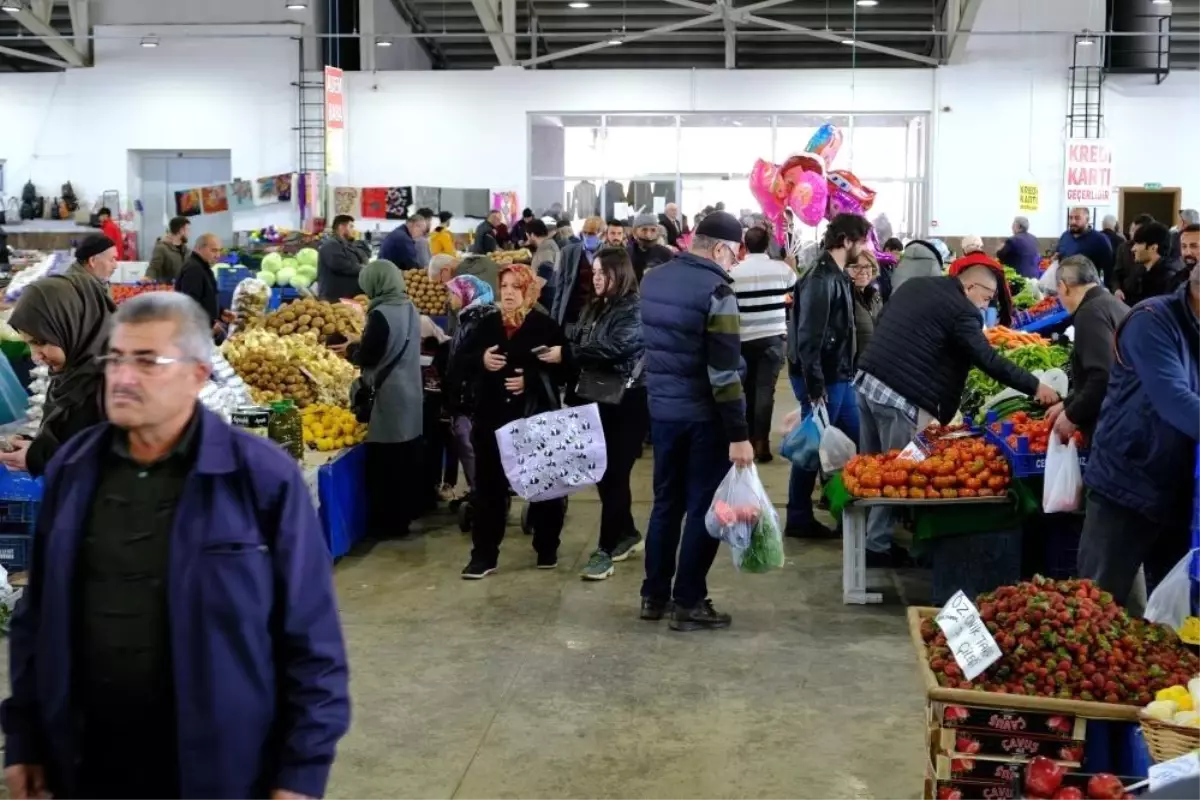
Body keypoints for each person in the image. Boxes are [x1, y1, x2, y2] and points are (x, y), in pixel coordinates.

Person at [2, 292, 349, 800]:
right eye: (115, 358)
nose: (121, 376)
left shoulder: (259, 478)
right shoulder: (76, 468)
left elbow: (313, 640)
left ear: (196, 375)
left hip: (218, 770)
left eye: (146, 361)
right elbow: (39, 616)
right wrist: (25, 738)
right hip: (87, 764)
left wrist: (299, 775)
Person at [855, 265, 1058, 565]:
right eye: (987, 297)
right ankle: (876, 546)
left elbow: (884, 320)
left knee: (872, 467)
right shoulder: (964, 311)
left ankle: (864, 539)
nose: (985, 305)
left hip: (867, 382)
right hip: (900, 398)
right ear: (970, 287)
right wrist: (1035, 385)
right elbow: (986, 358)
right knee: (898, 472)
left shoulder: (917, 283)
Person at [639, 211, 752, 632]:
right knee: (706, 508)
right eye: (733, 252)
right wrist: (740, 434)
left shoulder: (653, 279)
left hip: (663, 412)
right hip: (705, 417)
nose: (733, 261)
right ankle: (687, 601)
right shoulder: (718, 290)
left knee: (665, 503)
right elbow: (723, 373)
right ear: (720, 248)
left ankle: (653, 595)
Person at [1077, 266, 1200, 605]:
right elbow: (1174, 400)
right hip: (1126, 484)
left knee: (1167, 613)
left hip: (1178, 493)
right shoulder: (1152, 320)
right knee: (1096, 605)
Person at [539, 248, 645, 581]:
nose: (597, 277)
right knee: (604, 475)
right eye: (595, 272)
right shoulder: (595, 305)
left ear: (621, 274)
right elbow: (579, 337)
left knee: (614, 474)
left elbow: (616, 347)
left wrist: (567, 354)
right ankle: (626, 533)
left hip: (626, 402)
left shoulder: (635, 309)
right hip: (593, 397)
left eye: (604, 272)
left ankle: (605, 551)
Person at [458, 264, 566, 579]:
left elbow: (564, 369)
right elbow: (459, 363)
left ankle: (547, 546)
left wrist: (530, 379)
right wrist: (481, 360)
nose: (507, 292)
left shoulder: (545, 326)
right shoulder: (486, 324)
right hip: (491, 418)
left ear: (529, 291)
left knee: (543, 485)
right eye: (504, 286)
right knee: (489, 490)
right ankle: (484, 555)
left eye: (515, 287)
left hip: (532, 419)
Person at [786, 213, 864, 539]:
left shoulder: (834, 275)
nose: (864, 247)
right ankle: (798, 516)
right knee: (813, 444)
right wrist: (815, 386)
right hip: (823, 376)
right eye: (861, 240)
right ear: (846, 240)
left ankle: (849, 508)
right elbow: (809, 339)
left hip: (839, 374)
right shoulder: (821, 278)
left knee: (854, 439)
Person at [342, 260, 425, 538]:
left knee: (386, 465)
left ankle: (389, 524)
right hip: (411, 392)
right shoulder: (410, 306)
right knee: (406, 459)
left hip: (389, 396)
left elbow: (369, 356)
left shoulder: (380, 313)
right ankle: (406, 516)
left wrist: (351, 351)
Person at [0, 269, 111, 477]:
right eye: (29, 344)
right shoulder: (70, 374)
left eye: (40, 342)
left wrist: (41, 458)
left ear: (72, 324)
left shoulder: (115, 386)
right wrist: (36, 448)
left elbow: (108, 462)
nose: (35, 356)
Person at [1044, 255, 1128, 444]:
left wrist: (1073, 415)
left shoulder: (1089, 313)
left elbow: (1103, 375)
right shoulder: (1110, 303)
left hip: (1115, 426)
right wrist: (1068, 403)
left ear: (1064, 287)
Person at [734, 225, 796, 463]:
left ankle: (748, 439)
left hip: (743, 339)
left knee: (747, 390)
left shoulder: (734, 271)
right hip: (773, 338)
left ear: (745, 245)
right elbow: (793, 294)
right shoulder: (781, 269)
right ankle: (762, 443)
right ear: (768, 244)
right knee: (765, 391)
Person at [550, 215, 605, 335]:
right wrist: (554, 321)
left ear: (602, 235)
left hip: (598, 314)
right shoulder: (568, 252)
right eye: (585, 233)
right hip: (572, 312)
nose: (588, 237)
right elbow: (560, 288)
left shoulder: (608, 253)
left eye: (592, 234)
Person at [1126, 220, 1187, 307]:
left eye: (1138, 243)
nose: (1133, 249)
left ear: (1153, 248)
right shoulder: (1140, 271)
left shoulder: (1168, 280)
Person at [1055, 207, 1114, 289]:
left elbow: (1109, 269)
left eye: (1077, 218)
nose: (1073, 221)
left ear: (1087, 219)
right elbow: (1058, 255)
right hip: (1066, 287)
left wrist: (1108, 289)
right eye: (1070, 218)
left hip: (1088, 289)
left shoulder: (1100, 239)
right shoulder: (1065, 236)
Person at [175, 232, 222, 333]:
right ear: (199, 248)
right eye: (214, 250)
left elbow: (205, 298)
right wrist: (210, 325)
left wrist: (221, 312)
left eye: (219, 251)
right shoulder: (194, 269)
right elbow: (190, 304)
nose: (218, 255)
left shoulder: (202, 267)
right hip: (195, 332)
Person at [318, 213, 372, 300]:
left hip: (348, 298)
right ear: (342, 227)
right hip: (335, 300)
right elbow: (341, 265)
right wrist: (366, 269)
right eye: (351, 226)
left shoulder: (347, 245)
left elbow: (362, 256)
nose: (353, 230)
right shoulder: (330, 245)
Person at [848, 249, 883, 362]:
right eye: (856, 266)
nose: (863, 271)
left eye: (867, 266)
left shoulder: (875, 296)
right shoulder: (845, 298)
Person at [1114, 213, 1154, 299]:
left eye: (1135, 231)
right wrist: (1117, 289)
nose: (1131, 233)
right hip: (1126, 297)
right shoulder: (1123, 248)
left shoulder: (1153, 249)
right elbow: (1116, 274)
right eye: (1131, 230)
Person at [628, 213, 674, 281]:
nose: (648, 236)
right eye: (644, 230)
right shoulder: (626, 254)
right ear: (634, 233)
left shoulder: (666, 254)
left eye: (653, 230)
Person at [146, 216, 190, 283]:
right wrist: (148, 278)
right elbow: (153, 268)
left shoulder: (187, 250)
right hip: (166, 290)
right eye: (188, 230)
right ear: (181, 230)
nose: (189, 233)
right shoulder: (162, 248)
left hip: (184, 290)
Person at [527, 219, 559, 308]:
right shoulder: (548, 244)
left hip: (546, 295)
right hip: (549, 293)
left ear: (532, 235)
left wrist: (531, 293)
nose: (527, 238)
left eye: (527, 235)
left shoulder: (546, 247)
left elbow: (546, 269)